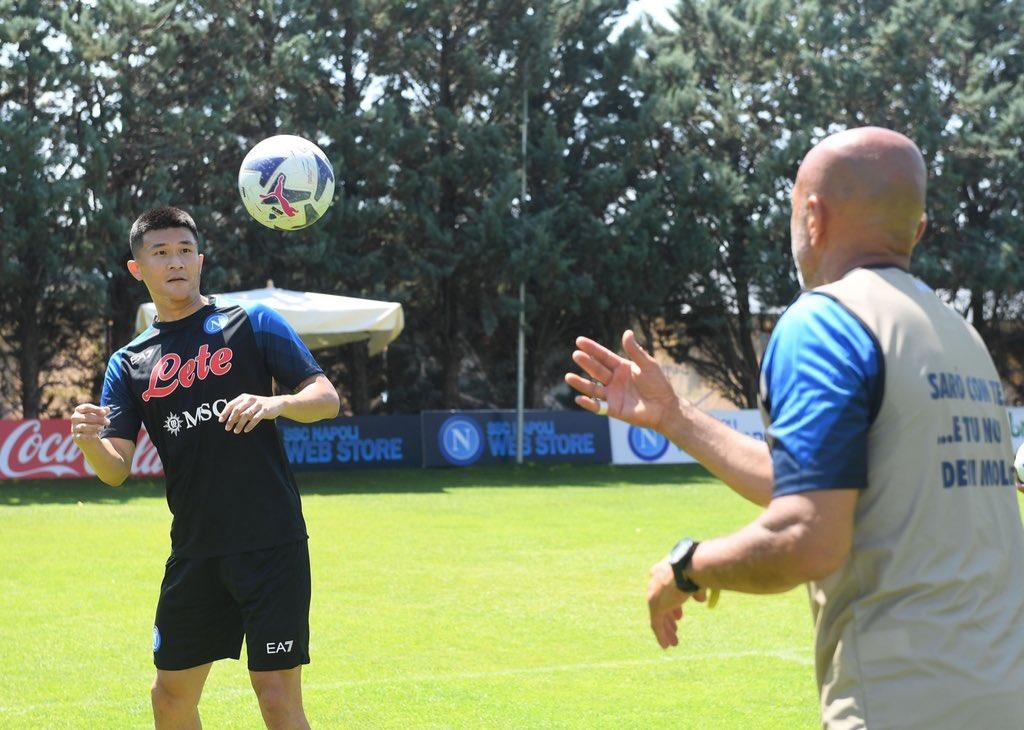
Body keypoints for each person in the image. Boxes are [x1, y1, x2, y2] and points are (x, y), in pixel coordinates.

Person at [565, 127, 1024, 729]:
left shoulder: (826, 324)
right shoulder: (958, 337)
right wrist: (674, 417)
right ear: (916, 231)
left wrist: (686, 566)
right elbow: (826, 486)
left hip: (901, 704)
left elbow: (807, 536)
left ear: (813, 216)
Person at [70, 206, 340, 729]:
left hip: (271, 541)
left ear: (201, 260)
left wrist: (275, 404)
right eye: (161, 253)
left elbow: (325, 397)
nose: (176, 263)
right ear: (138, 268)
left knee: (276, 696)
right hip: (196, 548)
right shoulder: (130, 362)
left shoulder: (252, 322)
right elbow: (116, 469)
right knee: (170, 697)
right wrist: (89, 443)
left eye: (185, 251)